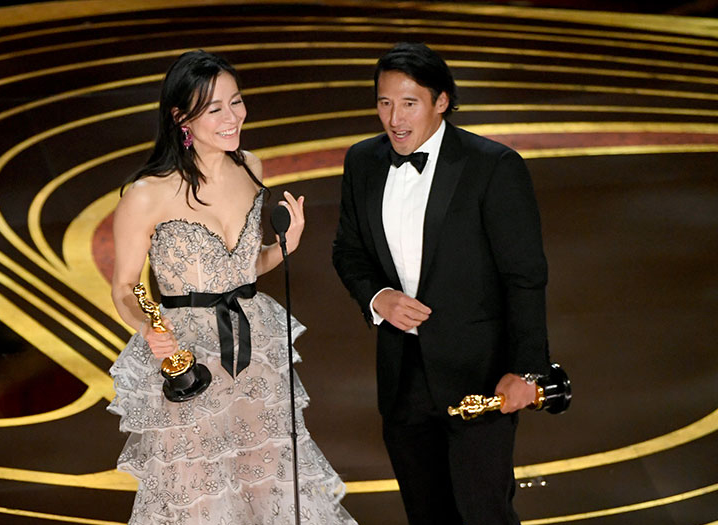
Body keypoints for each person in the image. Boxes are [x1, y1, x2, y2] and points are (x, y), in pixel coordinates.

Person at [108, 50, 357, 525]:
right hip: (190, 355)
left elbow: (242, 270)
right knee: (198, 492)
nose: (232, 117)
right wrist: (150, 329)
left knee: (265, 478)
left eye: (236, 102)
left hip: (253, 344)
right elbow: (124, 287)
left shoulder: (251, 167)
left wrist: (287, 247)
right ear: (181, 117)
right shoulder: (146, 194)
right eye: (215, 108)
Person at [332, 42, 552, 525]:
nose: (394, 118)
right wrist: (377, 297)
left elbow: (525, 277)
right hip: (402, 377)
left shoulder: (493, 166)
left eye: (409, 103)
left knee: (484, 513)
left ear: (442, 102)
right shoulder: (362, 162)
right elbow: (347, 251)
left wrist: (528, 372)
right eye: (384, 103)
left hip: (478, 376)